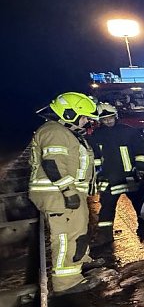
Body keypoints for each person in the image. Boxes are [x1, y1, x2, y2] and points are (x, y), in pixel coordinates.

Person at [28, 92, 99, 293]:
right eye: (84, 117)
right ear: (69, 113)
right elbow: (53, 164)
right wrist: (68, 191)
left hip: (66, 194)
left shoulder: (64, 132)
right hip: (57, 196)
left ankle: (78, 264)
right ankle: (66, 283)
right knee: (64, 237)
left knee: (77, 232)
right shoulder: (55, 132)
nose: (86, 122)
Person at [90, 103, 144, 244]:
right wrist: (98, 175)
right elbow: (95, 158)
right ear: (99, 121)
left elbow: (141, 152)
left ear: (115, 116)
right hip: (109, 180)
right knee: (107, 210)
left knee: (141, 205)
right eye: (104, 119)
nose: (108, 121)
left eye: (110, 118)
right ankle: (105, 237)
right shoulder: (96, 136)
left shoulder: (129, 132)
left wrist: (140, 167)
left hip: (131, 178)